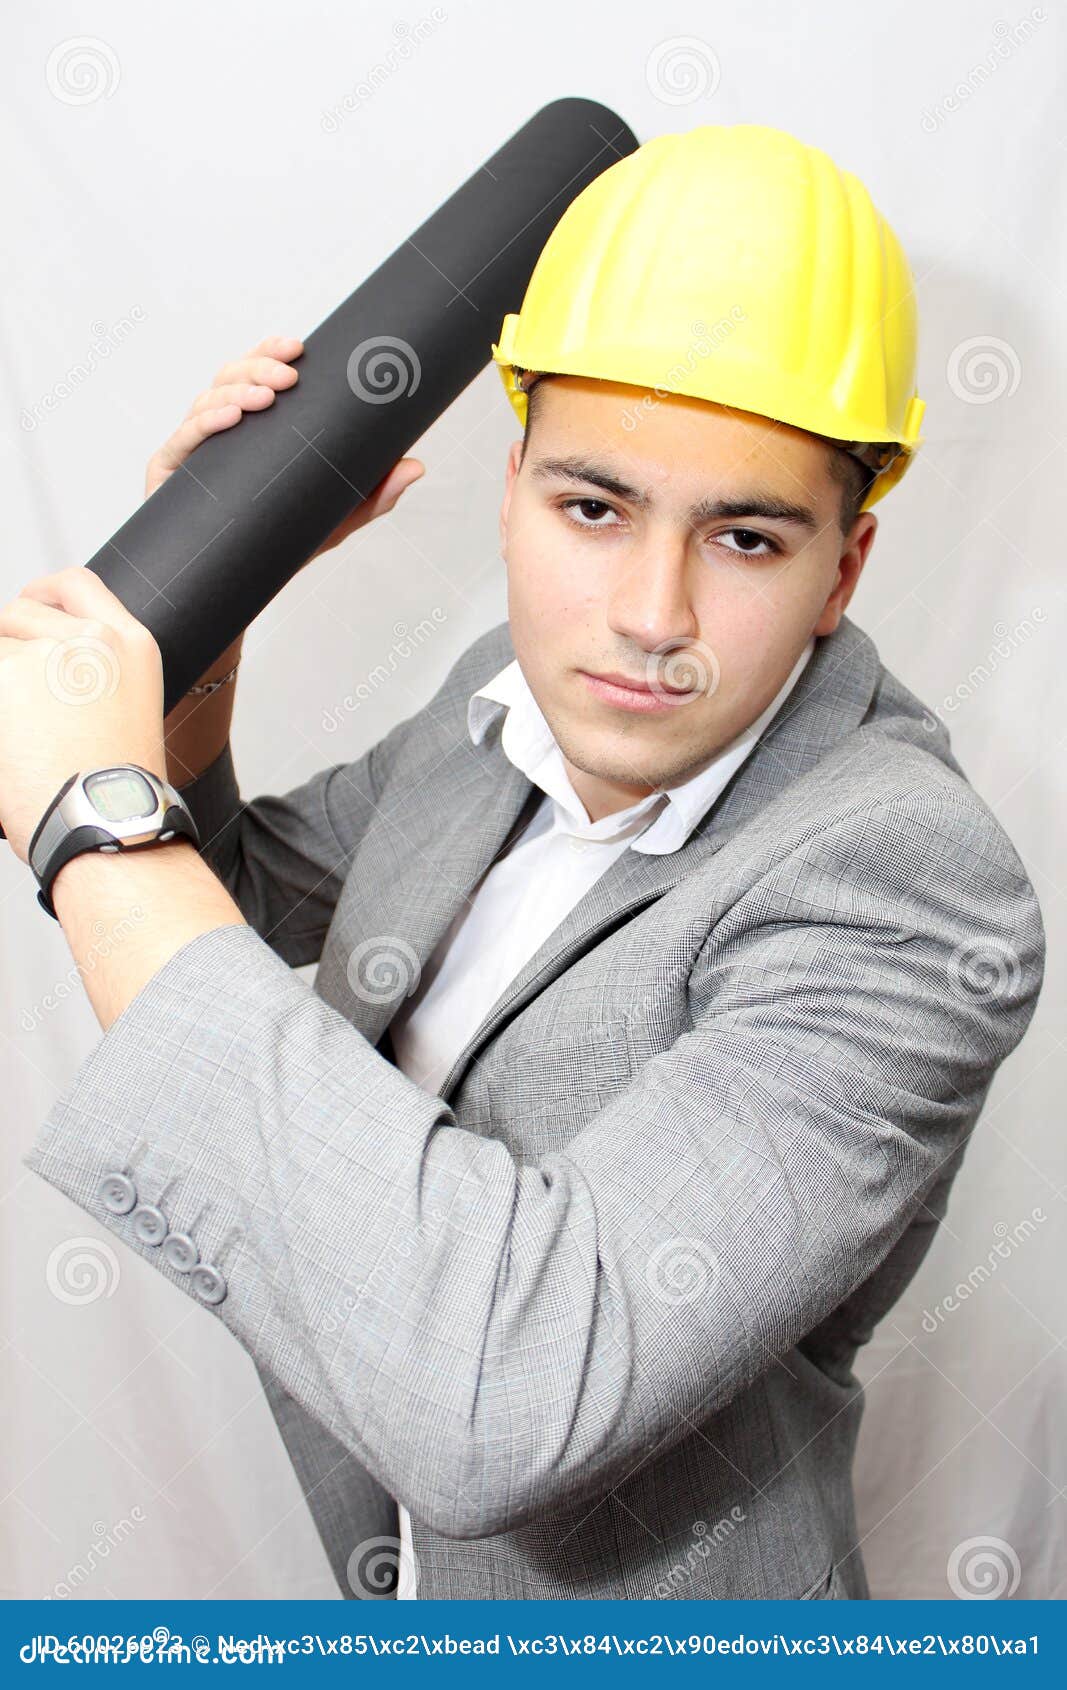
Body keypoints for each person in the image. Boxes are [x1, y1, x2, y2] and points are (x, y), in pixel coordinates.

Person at [2, 125, 1045, 1601]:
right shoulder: (504, 705)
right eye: (592, 508)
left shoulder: (907, 886)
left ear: (845, 568)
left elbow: (507, 1389)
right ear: (511, 492)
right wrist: (204, 616)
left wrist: (89, 816)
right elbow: (229, 891)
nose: (648, 616)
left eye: (746, 538)